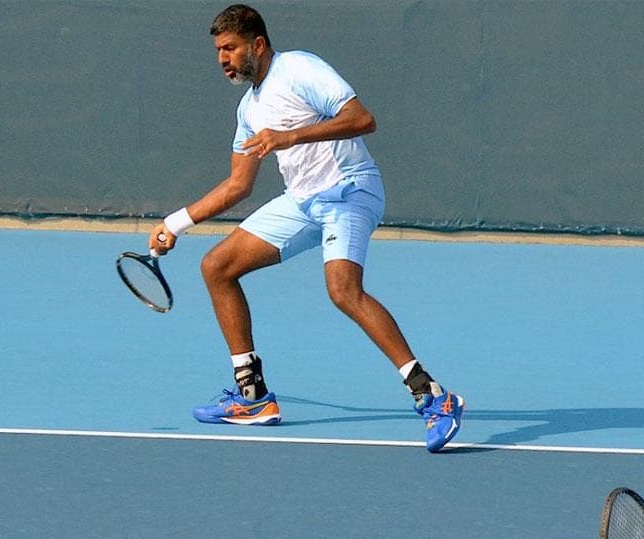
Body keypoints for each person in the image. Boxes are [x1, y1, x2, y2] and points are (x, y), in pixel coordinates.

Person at [147, 4, 463, 452]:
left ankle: (433, 396)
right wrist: (176, 223)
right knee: (217, 266)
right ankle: (252, 398)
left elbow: (363, 119)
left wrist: (289, 136)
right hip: (303, 202)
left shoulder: (299, 68)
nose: (223, 58)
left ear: (257, 44)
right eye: (219, 51)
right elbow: (239, 184)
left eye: (231, 48)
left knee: (342, 290)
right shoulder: (249, 108)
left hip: (349, 191)